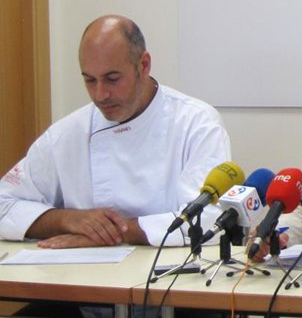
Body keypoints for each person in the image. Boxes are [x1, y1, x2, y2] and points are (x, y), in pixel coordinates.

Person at [0, 15, 232, 248]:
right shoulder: (66, 135)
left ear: (144, 65)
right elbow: (4, 205)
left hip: (168, 266)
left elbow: (208, 218)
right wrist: (68, 220)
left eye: (112, 79)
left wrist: (114, 232)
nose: (100, 94)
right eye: (90, 80)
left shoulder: (196, 123)